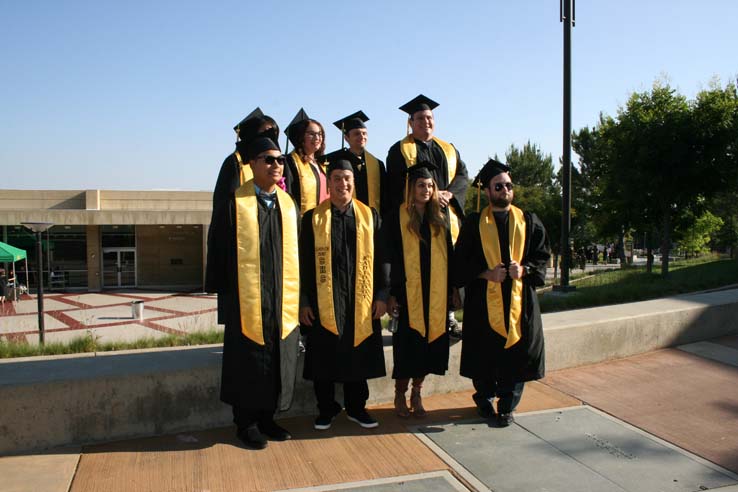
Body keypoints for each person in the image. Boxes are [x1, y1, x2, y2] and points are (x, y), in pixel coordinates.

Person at [206, 136, 301, 450]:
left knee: (277, 358)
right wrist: (226, 298)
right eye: (269, 159)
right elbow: (218, 251)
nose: (277, 165)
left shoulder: (288, 205)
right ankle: (244, 424)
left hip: (280, 297)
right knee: (248, 359)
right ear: (252, 165)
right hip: (246, 299)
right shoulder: (235, 203)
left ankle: (267, 418)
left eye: (280, 160)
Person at [453, 159, 550, 427]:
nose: (504, 190)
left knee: (516, 354)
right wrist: (486, 274)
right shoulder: (473, 224)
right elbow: (460, 262)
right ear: (487, 191)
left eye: (508, 185)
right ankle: (483, 399)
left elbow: (542, 256)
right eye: (498, 186)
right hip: (484, 300)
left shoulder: (529, 221)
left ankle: (507, 405)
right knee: (483, 352)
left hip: (520, 300)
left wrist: (526, 269)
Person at [298, 151, 389, 430]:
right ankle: (326, 409)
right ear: (329, 183)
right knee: (324, 355)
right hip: (322, 298)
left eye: (347, 178)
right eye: (336, 178)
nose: (343, 184)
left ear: (354, 181)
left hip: (360, 298)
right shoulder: (312, 218)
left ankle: (357, 408)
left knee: (357, 355)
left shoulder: (370, 216)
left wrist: (383, 295)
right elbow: (300, 262)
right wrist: (303, 301)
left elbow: (384, 257)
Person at [386, 94, 468, 338]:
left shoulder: (449, 149)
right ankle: (408, 319)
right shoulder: (399, 151)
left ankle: (449, 316)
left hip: (446, 219)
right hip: (417, 221)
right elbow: (395, 186)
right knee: (420, 271)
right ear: (411, 122)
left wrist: (449, 195)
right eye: (420, 118)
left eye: (430, 117)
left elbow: (462, 176)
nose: (426, 122)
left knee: (447, 267)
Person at [386, 162, 456, 418]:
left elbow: (449, 253)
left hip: (435, 293)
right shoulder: (397, 216)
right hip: (407, 293)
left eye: (429, 185)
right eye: (420, 185)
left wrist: (452, 289)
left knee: (429, 346)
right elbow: (390, 256)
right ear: (411, 188)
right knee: (408, 346)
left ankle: (417, 392)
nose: (426, 189)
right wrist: (392, 292)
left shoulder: (440, 216)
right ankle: (399, 393)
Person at [205, 108, 280, 322]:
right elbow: (224, 209)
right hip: (240, 246)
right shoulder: (235, 163)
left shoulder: (273, 164)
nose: (268, 138)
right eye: (263, 133)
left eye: (273, 133)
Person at [328, 111, 386, 214]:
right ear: (346, 138)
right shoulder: (336, 162)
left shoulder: (377, 164)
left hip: (372, 220)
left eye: (364, 133)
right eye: (356, 134)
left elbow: (385, 196)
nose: (362, 137)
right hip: (344, 218)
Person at [283, 109, 329, 214]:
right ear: (301, 137)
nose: (317, 138)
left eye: (320, 134)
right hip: (301, 223)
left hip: (322, 222)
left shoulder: (322, 164)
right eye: (311, 134)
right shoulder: (290, 162)